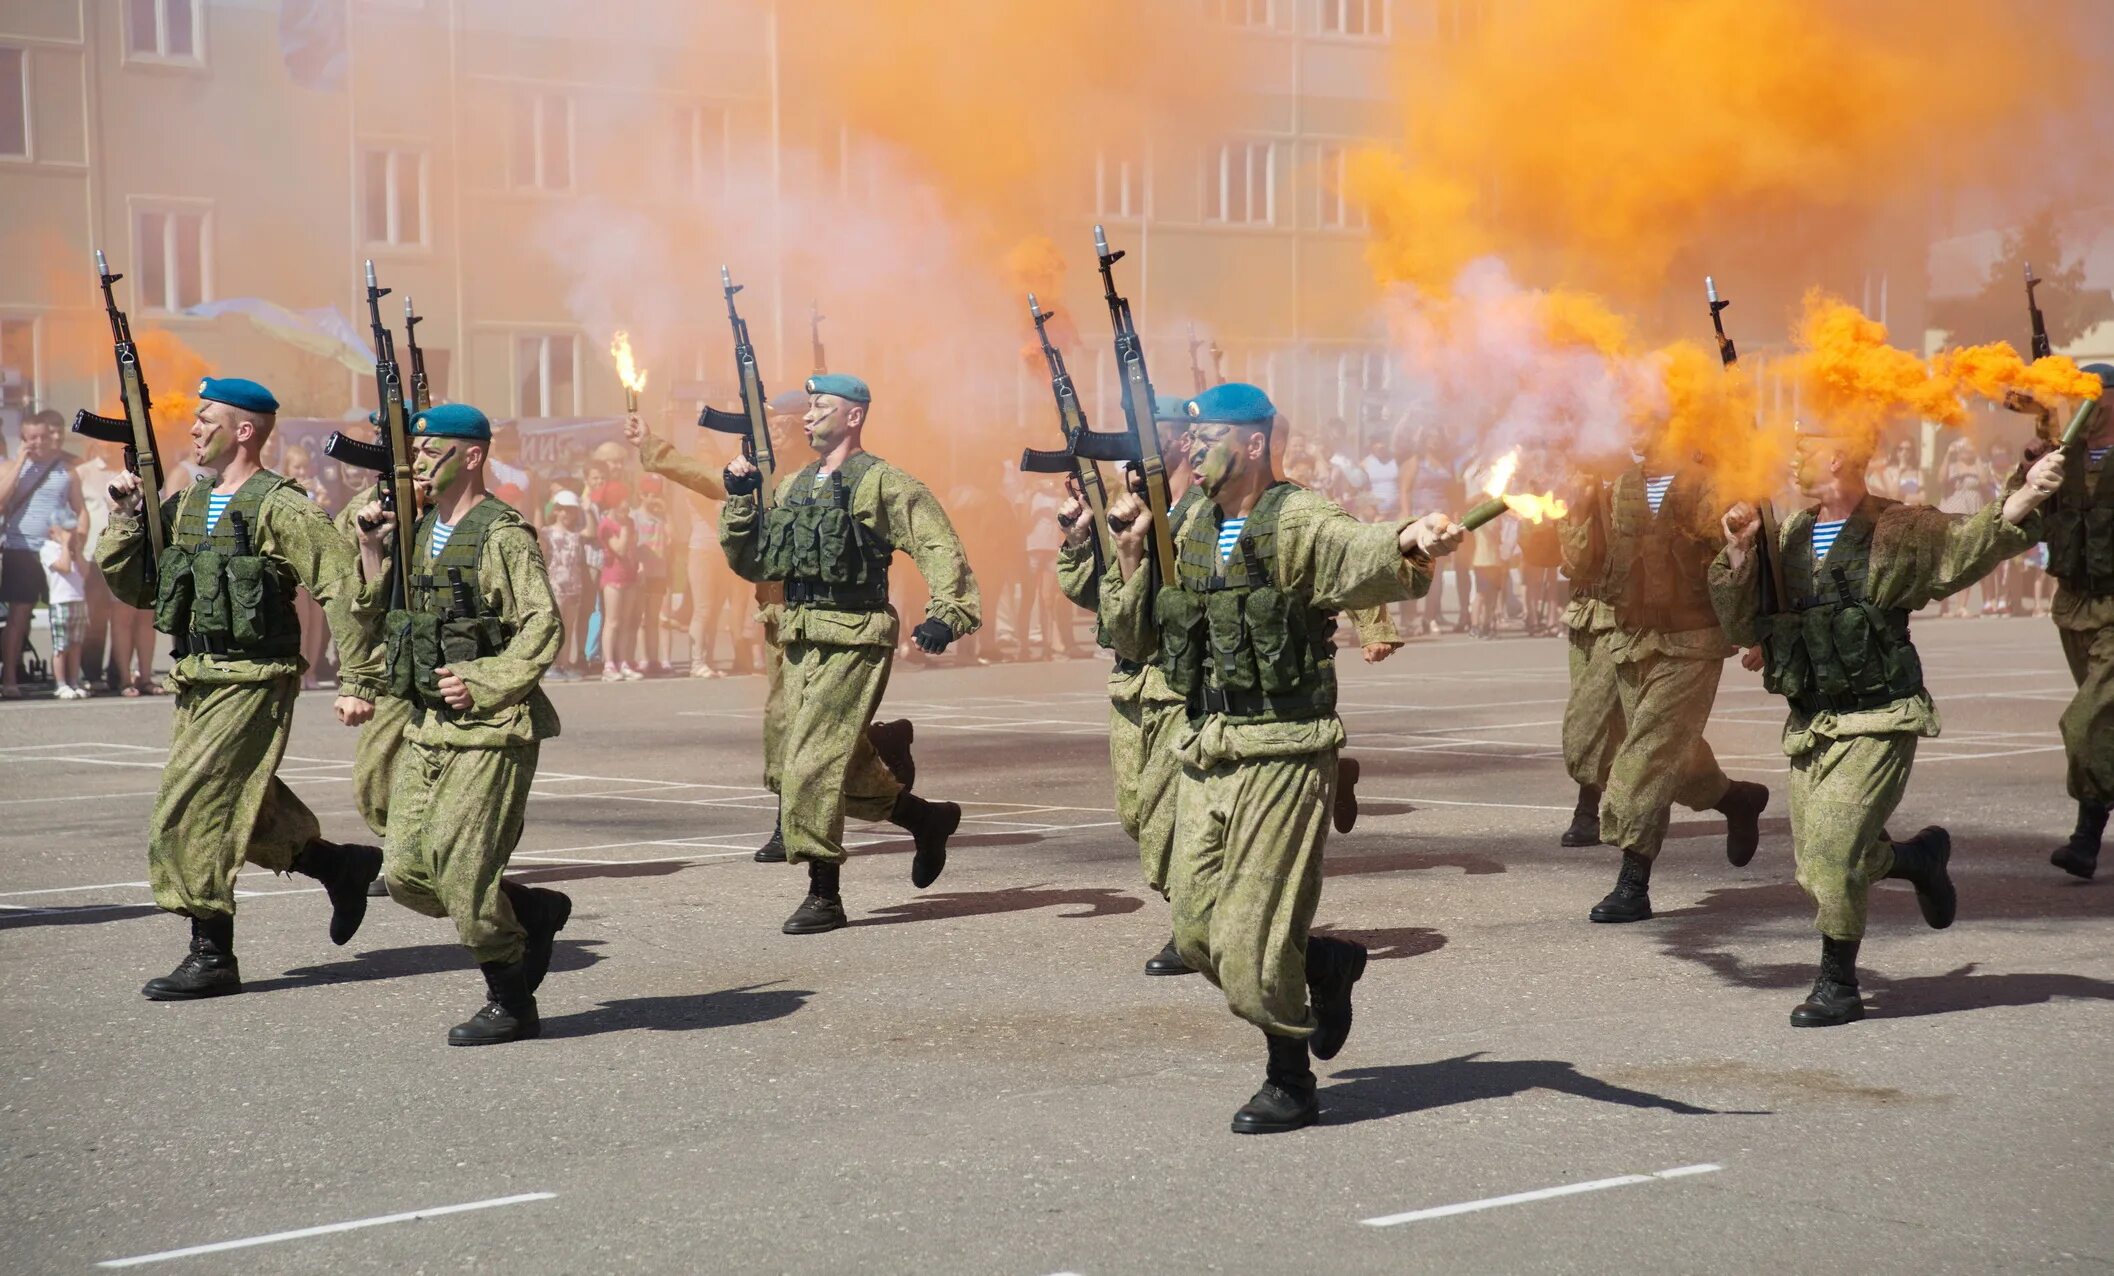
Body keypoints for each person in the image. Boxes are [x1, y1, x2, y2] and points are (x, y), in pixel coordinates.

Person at [1104, 383, 1464, 1134]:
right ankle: (1326, 967)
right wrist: (1132, 552)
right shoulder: (1189, 521)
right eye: (1191, 436)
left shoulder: (1295, 516)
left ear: (1255, 444)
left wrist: (1410, 538)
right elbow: (1131, 636)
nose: (1191, 448)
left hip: (1285, 747)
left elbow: (1355, 546)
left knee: (1252, 938)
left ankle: (1290, 1079)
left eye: (1208, 437)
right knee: (1198, 932)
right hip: (1209, 746)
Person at [1712, 423, 2062, 1025]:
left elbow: (1966, 544)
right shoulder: (1787, 535)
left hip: (1880, 715)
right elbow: (1745, 625)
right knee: (1823, 856)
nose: (1794, 458)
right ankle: (1919, 861)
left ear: (1842, 456)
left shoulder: (1896, 528)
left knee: (1830, 853)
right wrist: (1741, 548)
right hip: (1814, 721)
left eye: (1808, 447)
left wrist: (2027, 492)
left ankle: (1837, 984)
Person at [1059, 395, 1395, 977]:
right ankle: (1225, 932)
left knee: (1173, 831)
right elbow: (1105, 596)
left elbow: (1334, 555)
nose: (1181, 444)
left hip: (1187, 690)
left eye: (1179, 434)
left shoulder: (1241, 505)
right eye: (1179, 435)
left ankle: (1214, 938)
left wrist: (1378, 617)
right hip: (1140, 683)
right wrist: (1088, 540)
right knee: (1138, 817)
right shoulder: (1150, 505)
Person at [96, 377, 389, 999]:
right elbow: (141, 589)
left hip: (255, 677)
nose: (195, 428)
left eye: (208, 419)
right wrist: (125, 519)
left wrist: (358, 677)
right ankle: (337, 865)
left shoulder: (282, 506)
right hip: (197, 677)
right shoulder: (188, 504)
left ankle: (211, 952)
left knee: (194, 803)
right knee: (239, 799)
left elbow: (341, 586)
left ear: (245, 430)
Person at [719, 374, 980, 933]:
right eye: (808, 407)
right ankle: (925, 819)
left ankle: (824, 892)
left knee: (811, 761)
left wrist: (946, 611)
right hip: (801, 635)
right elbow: (757, 563)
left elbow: (936, 540)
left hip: (855, 635)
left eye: (821, 406)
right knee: (836, 760)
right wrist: (741, 504)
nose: (809, 416)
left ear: (854, 416)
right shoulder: (793, 487)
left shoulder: (883, 482)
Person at [350, 402, 572, 1045]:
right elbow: (374, 611)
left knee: (463, 872)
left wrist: (480, 681)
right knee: (408, 874)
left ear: (471, 456)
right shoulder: (416, 529)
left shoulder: (501, 533)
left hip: (494, 728)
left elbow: (541, 625)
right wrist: (371, 548)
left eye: (432, 448)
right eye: (416, 447)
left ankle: (511, 999)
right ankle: (530, 909)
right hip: (427, 726)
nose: (418, 457)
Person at [1560, 418, 1770, 922]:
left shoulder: (1710, 483)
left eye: (1648, 421)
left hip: (1693, 640)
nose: (1635, 431)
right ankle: (1735, 798)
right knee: (1636, 752)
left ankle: (1633, 882)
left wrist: (1759, 631)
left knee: (1649, 755)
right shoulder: (1622, 487)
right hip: (1632, 637)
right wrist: (1577, 506)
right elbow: (1583, 563)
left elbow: (1745, 559)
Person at [2031, 366, 2114, 878]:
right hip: (2075, 608)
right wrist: (2033, 468)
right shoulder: (2064, 456)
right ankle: (2087, 841)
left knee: (2084, 722)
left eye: (2094, 394)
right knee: (2105, 728)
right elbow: (2021, 513)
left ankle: (2084, 836)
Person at [0, 410, 83, 697]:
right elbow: (1, 501)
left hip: (55, 551)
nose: (38, 442)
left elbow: (79, 509)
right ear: (23, 439)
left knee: (66, 612)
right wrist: (21, 460)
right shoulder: (11, 466)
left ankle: (69, 678)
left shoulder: (67, 469)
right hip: (20, 549)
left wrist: (78, 548)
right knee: (19, 614)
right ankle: (9, 678)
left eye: (42, 437)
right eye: (31, 438)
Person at [542, 489, 591, 680]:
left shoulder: (576, 534)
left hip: (573, 586)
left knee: (569, 626)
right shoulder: (546, 533)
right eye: (563, 509)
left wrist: (586, 509)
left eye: (571, 510)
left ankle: (564, 664)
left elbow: (592, 531)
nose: (567, 514)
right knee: (555, 627)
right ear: (555, 510)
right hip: (555, 586)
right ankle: (551, 664)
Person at [40, 507, 88, 698]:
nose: (71, 533)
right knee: (61, 646)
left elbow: (85, 572)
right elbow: (64, 567)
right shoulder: (48, 549)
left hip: (78, 601)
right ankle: (61, 684)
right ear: (53, 531)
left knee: (76, 644)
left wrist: (75, 548)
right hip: (60, 602)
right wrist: (66, 546)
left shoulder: (74, 549)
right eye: (66, 530)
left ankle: (74, 681)